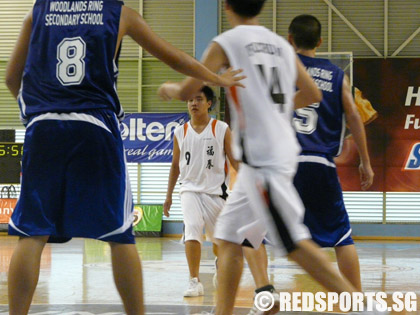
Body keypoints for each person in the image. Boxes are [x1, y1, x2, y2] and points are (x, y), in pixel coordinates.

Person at [4, 1, 244, 314]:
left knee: (32, 234)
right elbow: (174, 57)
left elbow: (11, 77)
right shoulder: (119, 13)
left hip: (43, 126)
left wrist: (37, 114)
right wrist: (215, 78)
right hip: (95, 127)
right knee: (119, 235)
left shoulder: (36, 11)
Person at [157, 1, 380, 314]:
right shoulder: (279, 45)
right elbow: (313, 94)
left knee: (296, 245)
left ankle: (363, 307)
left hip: (267, 159)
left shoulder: (228, 42)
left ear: (226, 5)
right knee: (230, 238)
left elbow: (190, 87)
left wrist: (171, 88)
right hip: (264, 159)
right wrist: (275, 106)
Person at [288, 14, 374, 291]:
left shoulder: (280, 70)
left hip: (283, 165)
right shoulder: (338, 76)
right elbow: (354, 118)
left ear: (290, 40)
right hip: (319, 163)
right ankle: (357, 300)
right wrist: (366, 163)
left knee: (257, 234)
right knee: (341, 237)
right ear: (320, 41)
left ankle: (262, 290)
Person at [164, 86, 238, 297]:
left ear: (209, 103)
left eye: (198, 99)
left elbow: (234, 160)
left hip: (216, 192)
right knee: (192, 228)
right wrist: (168, 196)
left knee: (220, 242)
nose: (193, 103)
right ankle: (194, 281)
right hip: (189, 190)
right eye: (190, 100)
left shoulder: (221, 128)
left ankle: (217, 261)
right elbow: (175, 166)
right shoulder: (180, 131)